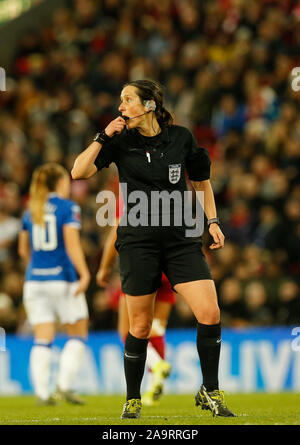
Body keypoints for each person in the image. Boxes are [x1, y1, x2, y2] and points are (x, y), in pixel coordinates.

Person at [71, 79, 236, 418]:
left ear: (149, 106)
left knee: (210, 312)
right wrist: (103, 136)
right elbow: (78, 171)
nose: (121, 107)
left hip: (181, 241)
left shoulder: (181, 138)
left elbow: (201, 182)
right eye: (120, 100)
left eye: (128, 100)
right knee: (141, 327)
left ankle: (211, 390)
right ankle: (133, 398)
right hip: (137, 243)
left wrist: (213, 221)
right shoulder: (120, 142)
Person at [18, 163, 90, 405]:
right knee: (78, 332)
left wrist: (37, 267)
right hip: (62, 279)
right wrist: (84, 273)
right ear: (60, 182)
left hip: (34, 281)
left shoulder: (31, 210)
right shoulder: (68, 207)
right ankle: (64, 386)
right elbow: (72, 244)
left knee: (42, 337)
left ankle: (41, 393)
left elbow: (22, 249)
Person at [96, 190, 175, 406]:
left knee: (128, 331)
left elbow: (117, 232)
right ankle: (153, 387)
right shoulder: (169, 189)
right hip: (169, 266)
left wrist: (104, 266)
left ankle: (157, 364)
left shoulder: (130, 191)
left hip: (140, 266)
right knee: (156, 328)